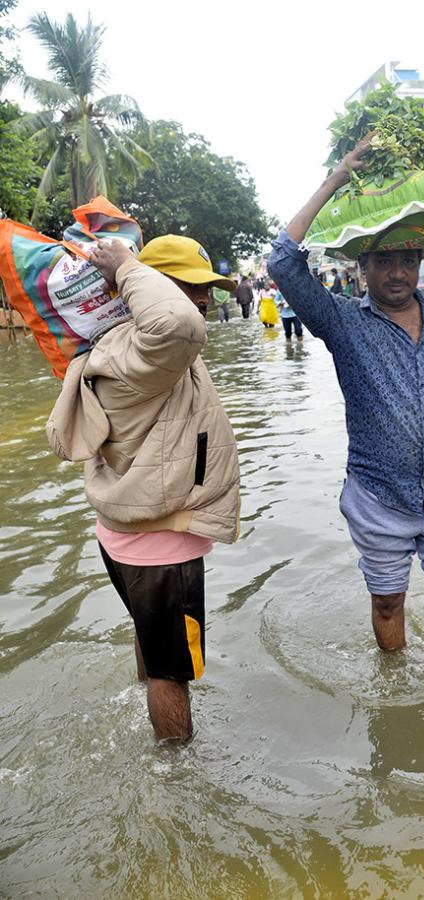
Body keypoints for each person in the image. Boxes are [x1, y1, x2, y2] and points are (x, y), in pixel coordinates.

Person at [268, 139, 424, 652]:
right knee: (388, 603)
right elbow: (283, 262)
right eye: (384, 260)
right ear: (363, 266)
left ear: (420, 263)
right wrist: (337, 179)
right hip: (377, 498)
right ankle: (395, 690)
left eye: (407, 260)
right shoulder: (341, 321)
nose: (396, 273)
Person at [46, 234, 240, 742]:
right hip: (162, 546)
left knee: (154, 649)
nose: (202, 299)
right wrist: (126, 266)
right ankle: (177, 772)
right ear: (145, 288)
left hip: (128, 533)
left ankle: (149, 720)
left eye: (208, 289)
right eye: (189, 286)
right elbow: (179, 323)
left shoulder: (121, 351)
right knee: (172, 671)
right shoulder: (143, 351)